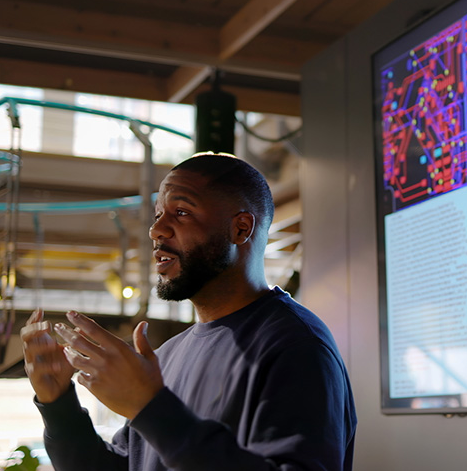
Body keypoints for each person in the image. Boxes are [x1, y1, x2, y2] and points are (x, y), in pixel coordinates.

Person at [20, 153, 356, 471]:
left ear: (240, 228)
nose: (156, 231)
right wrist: (59, 405)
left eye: (181, 212)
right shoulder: (165, 357)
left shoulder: (297, 346)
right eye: (157, 216)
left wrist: (151, 409)